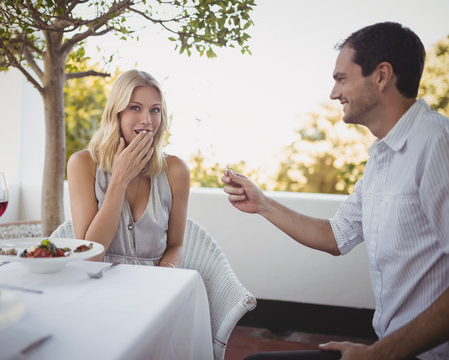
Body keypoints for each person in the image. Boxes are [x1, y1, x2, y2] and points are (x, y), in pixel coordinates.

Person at [222, 22, 449, 360]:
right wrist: (263, 204)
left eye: (342, 78)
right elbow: (336, 236)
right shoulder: (381, 158)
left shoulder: (437, 144)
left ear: (382, 75)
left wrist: (377, 355)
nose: (333, 93)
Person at [67, 69, 190, 267]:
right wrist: (120, 179)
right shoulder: (82, 164)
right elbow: (89, 256)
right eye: (135, 108)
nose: (147, 120)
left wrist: (165, 279)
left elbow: (176, 246)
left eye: (155, 110)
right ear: (117, 113)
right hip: (99, 284)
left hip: (156, 288)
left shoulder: (176, 170)